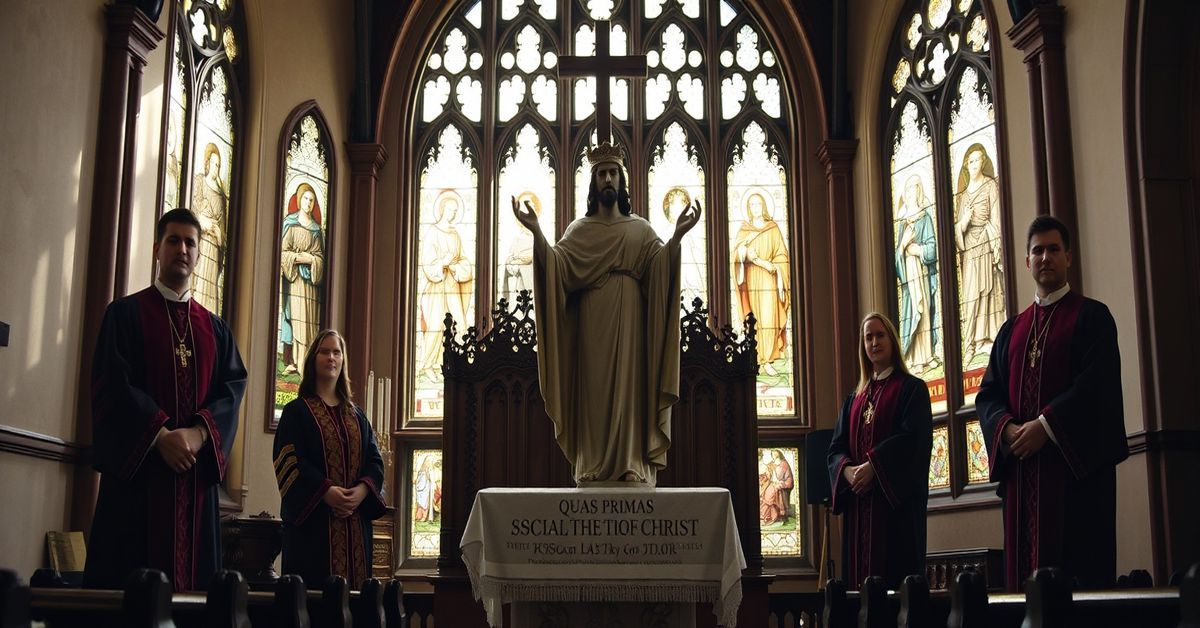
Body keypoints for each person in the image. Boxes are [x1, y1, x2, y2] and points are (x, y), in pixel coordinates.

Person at [512, 142, 700, 486]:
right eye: (602, 174)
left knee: (629, 390)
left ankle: (632, 462)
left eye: (613, 173)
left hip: (630, 321)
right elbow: (558, 267)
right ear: (594, 183)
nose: (608, 179)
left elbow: (659, 270)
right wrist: (537, 232)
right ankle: (592, 462)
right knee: (593, 391)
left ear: (622, 181)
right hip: (591, 323)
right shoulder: (579, 231)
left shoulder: (640, 230)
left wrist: (676, 237)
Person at [85, 208, 246, 592]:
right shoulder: (124, 315)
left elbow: (233, 388)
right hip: (138, 486)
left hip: (195, 489)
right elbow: (112, 386)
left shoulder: (215, 329)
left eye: (191, 242)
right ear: (157, 249)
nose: (182, 249)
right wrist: (160, 436)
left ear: (200, 255)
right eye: (173, 240)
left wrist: (198, 434)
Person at [977, 215, 1127, 590]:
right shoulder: (1012, 329)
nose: (1046, 257)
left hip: (1074, 480)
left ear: (1069, 258)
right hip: (1022, 480)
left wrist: (1045, 427)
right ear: (1027, 262)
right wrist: (1007, 429)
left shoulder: (1092, 317)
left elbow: (1097, 387)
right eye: (1038, 251)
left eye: (1054, 250)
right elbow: (988, 394)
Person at [273, 329, 387, 587]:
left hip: (355, 527)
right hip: (313, 530)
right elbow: (290, 463)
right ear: (313, 358)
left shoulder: (357, 416)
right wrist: (326, 491)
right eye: (325, 351)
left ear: (343, 360)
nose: (331, 357)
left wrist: (361, 491)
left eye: (337, 352)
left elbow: (374, 460)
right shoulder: (296, 412)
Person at [828, 312, 932, 589]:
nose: (874, 342)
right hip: (858, 512)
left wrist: (874, 467)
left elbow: (913, 441)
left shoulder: (912, 390)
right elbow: (835, 449)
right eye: (868, 337)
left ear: (892, 340)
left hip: (894, 515)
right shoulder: (854, 400)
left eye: (880, 335)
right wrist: (847, 472)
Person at [954, 143, 1005, 361]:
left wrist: (993, 240)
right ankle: (970, 344)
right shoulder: (963, 196)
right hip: (970, 249)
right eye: (971, 161)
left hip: (986, 240)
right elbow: (958, 229)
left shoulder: (990, 186)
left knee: (990, 289)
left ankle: (989, 339)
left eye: (977, 160)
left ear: (983, 162)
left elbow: (996, 217)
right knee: (971, 294)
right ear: (966, 165)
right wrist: (963, 223)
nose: (975, 165)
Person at [731, 191, 791, 376]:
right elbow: (735, 257)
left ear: (763, 206)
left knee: (768, 319)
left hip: (769, 280)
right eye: (752, 205)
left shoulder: (773, 228)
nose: (755, 208)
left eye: (758, 204)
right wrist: (744, 254)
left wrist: (771, 266)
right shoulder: (744, 230)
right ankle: (756, 358)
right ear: (748, 208)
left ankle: (767, 360)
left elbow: (782, 255)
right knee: (754, 319)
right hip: (750, 280)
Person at [417, 191, 474, 382]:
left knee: (461, 322)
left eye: (455, 211)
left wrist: (456, 267)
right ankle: (428, 365)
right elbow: (427, 261)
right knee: (435, 325)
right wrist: (442, 262)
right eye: (450, 210)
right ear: (442, 209)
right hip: (436, 285)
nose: (453, 214)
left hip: (452, 284)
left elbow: (464, 260)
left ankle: (462, 363)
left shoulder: (455, 235)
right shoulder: (433, 232)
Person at [895, 174, 940, 372]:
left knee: (925, 311)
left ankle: (927, 355)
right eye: (909, 188)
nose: (912, 192)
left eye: (915, 188)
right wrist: (904, 245)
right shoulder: (902, 223)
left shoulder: (925, 217)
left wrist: (918, 250)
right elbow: (896, 256)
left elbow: (932, 247)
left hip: (921, 272)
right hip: (908, 277)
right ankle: (913, 358)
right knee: (912, 310)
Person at [279, 182, 326, 375]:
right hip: (296, 282)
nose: (308, 203)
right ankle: (295, 362)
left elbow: (321, 258)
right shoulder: (290, 223)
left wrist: (312, 259)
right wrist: (298, 258)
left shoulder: (316, 230)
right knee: (297, 321)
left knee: (309, 325)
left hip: (311, 287)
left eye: (312, 200)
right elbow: (282, 252)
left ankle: (306, 364)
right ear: (299, 200)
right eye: (305, 199)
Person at [192, 142, 228, 312]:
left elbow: (222, 226)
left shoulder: (221, 196)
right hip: (200, 242)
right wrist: (202, 222)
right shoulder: (199, 181)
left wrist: (219, 234)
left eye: (219, 165)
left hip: (213, 246)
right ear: (207, 163)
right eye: (214, 164)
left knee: (210, 284)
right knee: (198, 282)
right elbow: (193, 210)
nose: (216, 168)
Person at [759, 449, 794, 525]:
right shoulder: (772, 463)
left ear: (778, 455)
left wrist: (781, 484)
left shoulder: (784, 464)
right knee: (762, 493)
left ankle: (770, 516)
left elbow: (789, 480)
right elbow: (767, 471)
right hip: (771, 484)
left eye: (774, 454)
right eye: (772, 454)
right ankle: (764, 516)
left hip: (780, 485)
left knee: (769, 495)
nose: (773, 456)